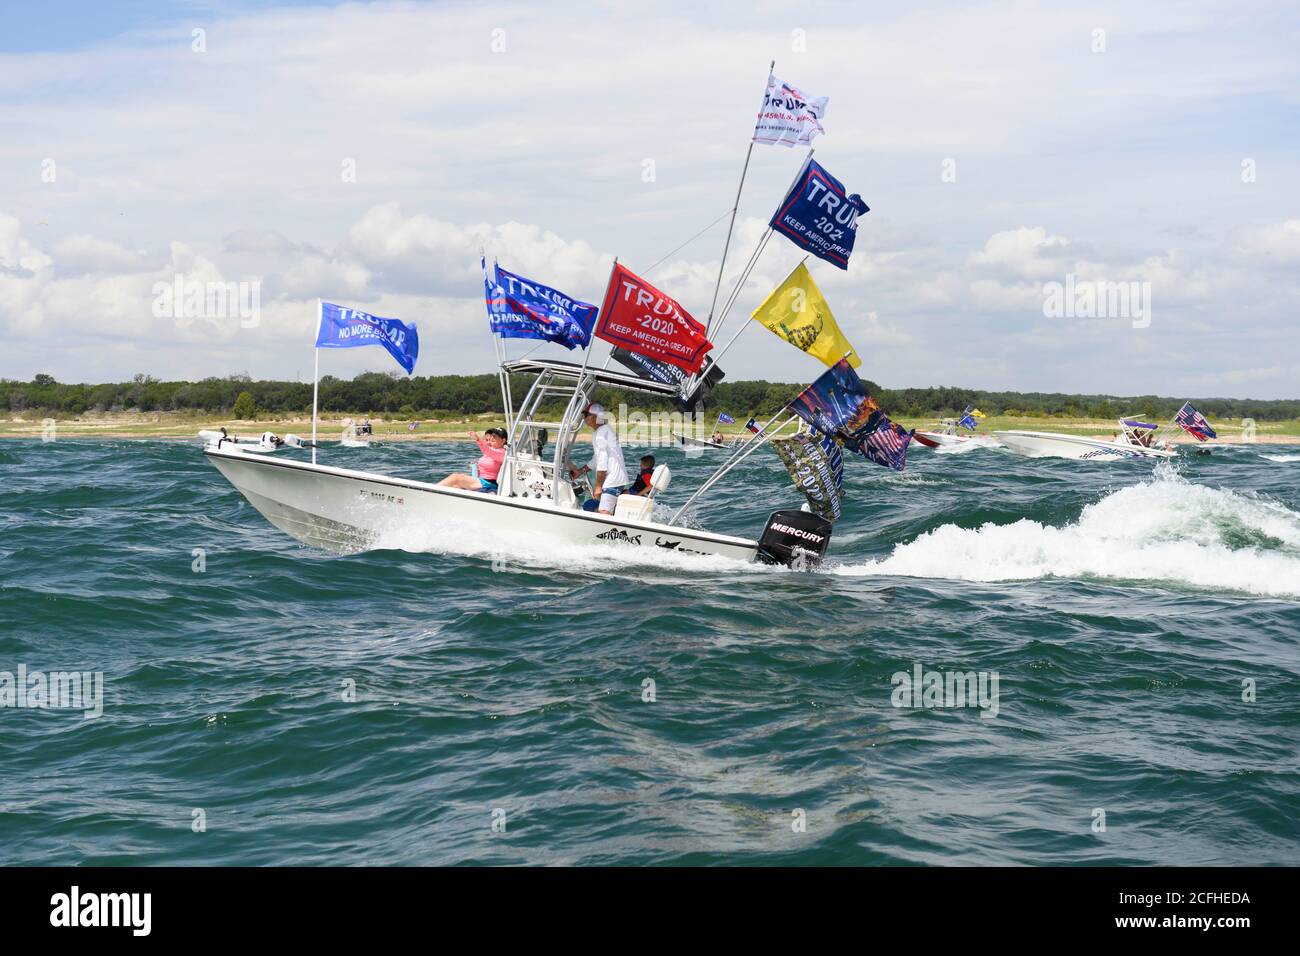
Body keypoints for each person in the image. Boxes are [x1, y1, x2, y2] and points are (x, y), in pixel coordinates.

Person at [568, 402, 628, 514]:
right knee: (601, 510)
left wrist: (598, 486)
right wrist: (580, 472)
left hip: (612, 481)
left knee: (603, 512)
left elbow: (602, 462)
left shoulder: (601, 434)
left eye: (586, 415)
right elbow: (596, 460)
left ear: (596, 417)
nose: (584, 418)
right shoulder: (604, 431)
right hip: (616, 479)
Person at [439, 428, 506, 492]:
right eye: (492, 435)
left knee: (455, 477)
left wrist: (478, 439)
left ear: (503, 441)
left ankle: (432, 491)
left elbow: (487, 450)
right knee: (457, 482)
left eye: (496, 436)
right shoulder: (493, 451)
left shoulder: (502, 453)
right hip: (482, 481)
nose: (492, 437)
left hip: (489, 483)